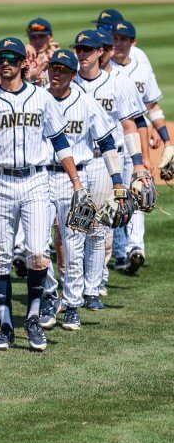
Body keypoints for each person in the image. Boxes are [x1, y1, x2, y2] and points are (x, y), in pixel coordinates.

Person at [0, 37, 80, 352]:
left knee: (38, 252)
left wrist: (77, 182)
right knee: (0, 255)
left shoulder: (42, 98)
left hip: (37, 182)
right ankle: (5, 326)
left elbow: (60, 141)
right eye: (2, 58)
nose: (6, 63)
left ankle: (34, 319)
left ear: (23, 62)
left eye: (12, 58)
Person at [38, 50, 126, 331]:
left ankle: (72, 304)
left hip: (76, 180)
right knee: (38, 245)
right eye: (53, 68)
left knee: (74, 244)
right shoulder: (37, 99)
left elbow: (107, 142)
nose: (56, 73)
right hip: (40, 177)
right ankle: (52, 294)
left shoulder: (86, 103)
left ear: (73, 75)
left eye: (63, 70)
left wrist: (118, 181)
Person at [73, 29, 148, 310]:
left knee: (100, 227)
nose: (81, 53)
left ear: (100, 52)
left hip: (107, 162)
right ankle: (74, 286)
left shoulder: (119, 84)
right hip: (75, 163)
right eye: (78, 48)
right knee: (71, 228)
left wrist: (139, 164)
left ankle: (94, 285)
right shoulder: (69, 80)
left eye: (87, 49)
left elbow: (130, 126)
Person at [111, 20, 167, 275]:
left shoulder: (141, 64)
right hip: (108, 146)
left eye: (124, 39)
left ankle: (135, 249)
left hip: (132, 141)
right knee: (115, 200)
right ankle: (120, 252)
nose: (119, 43)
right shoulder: (104, 69)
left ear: (133, 42)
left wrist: (166, 142)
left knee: (138, 192)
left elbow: (147, 111)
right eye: (115, 38)